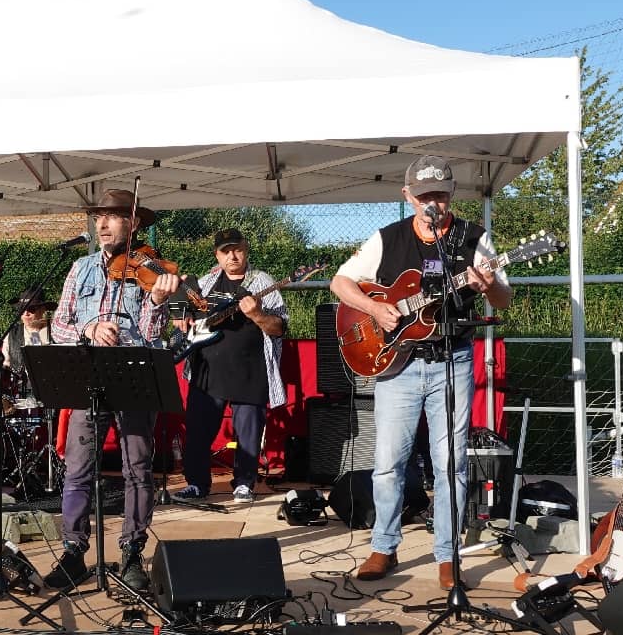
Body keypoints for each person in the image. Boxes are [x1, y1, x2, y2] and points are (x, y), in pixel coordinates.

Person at [330, 155, 512, 591]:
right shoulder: (386, 238)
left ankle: (447, 556)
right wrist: (375, 308)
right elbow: (341, 282)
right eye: (424, 195)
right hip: (399, 365)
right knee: (388, 462)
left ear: (451, 194)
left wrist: (489, 286)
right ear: (408, 195)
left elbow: (503, 300)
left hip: (454, 359)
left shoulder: (474, 238)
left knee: (450, 463)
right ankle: (383, 546)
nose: (433, 203)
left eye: (440, 195)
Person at [43, 189, 180, 592]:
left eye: (113, 217)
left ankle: (132, 552)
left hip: (133, 377)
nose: (102, 225)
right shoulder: (80, 268)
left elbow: (153, 335)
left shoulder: (152, 268)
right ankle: (73, 552)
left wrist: (155, 301)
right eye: (98, 217)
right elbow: (58, 326)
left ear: (133, 223)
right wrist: (89, 328)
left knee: (138, 469)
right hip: (88, 378)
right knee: (77, 469)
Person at [171, 228, 287, 504]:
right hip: (207, 371)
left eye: (237, 249)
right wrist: (179, 316)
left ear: (246, 250)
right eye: (226, 251)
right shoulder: (206, 282)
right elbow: (177, 293)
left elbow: (279, 327)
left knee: (248, 432)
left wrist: (257, 314)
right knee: (198, 430)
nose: (232, 256)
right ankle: (197, 483)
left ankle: (244, 483)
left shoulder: (263, 282)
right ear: (217, 255)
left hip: (251, 370)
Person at [0, 283, 55, 373]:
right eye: (22, 309)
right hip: (21, 385)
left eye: (31, 309)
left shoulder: (56, 331)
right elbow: (6, 362)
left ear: (42, 309)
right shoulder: (12, 334)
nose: (26, 313)